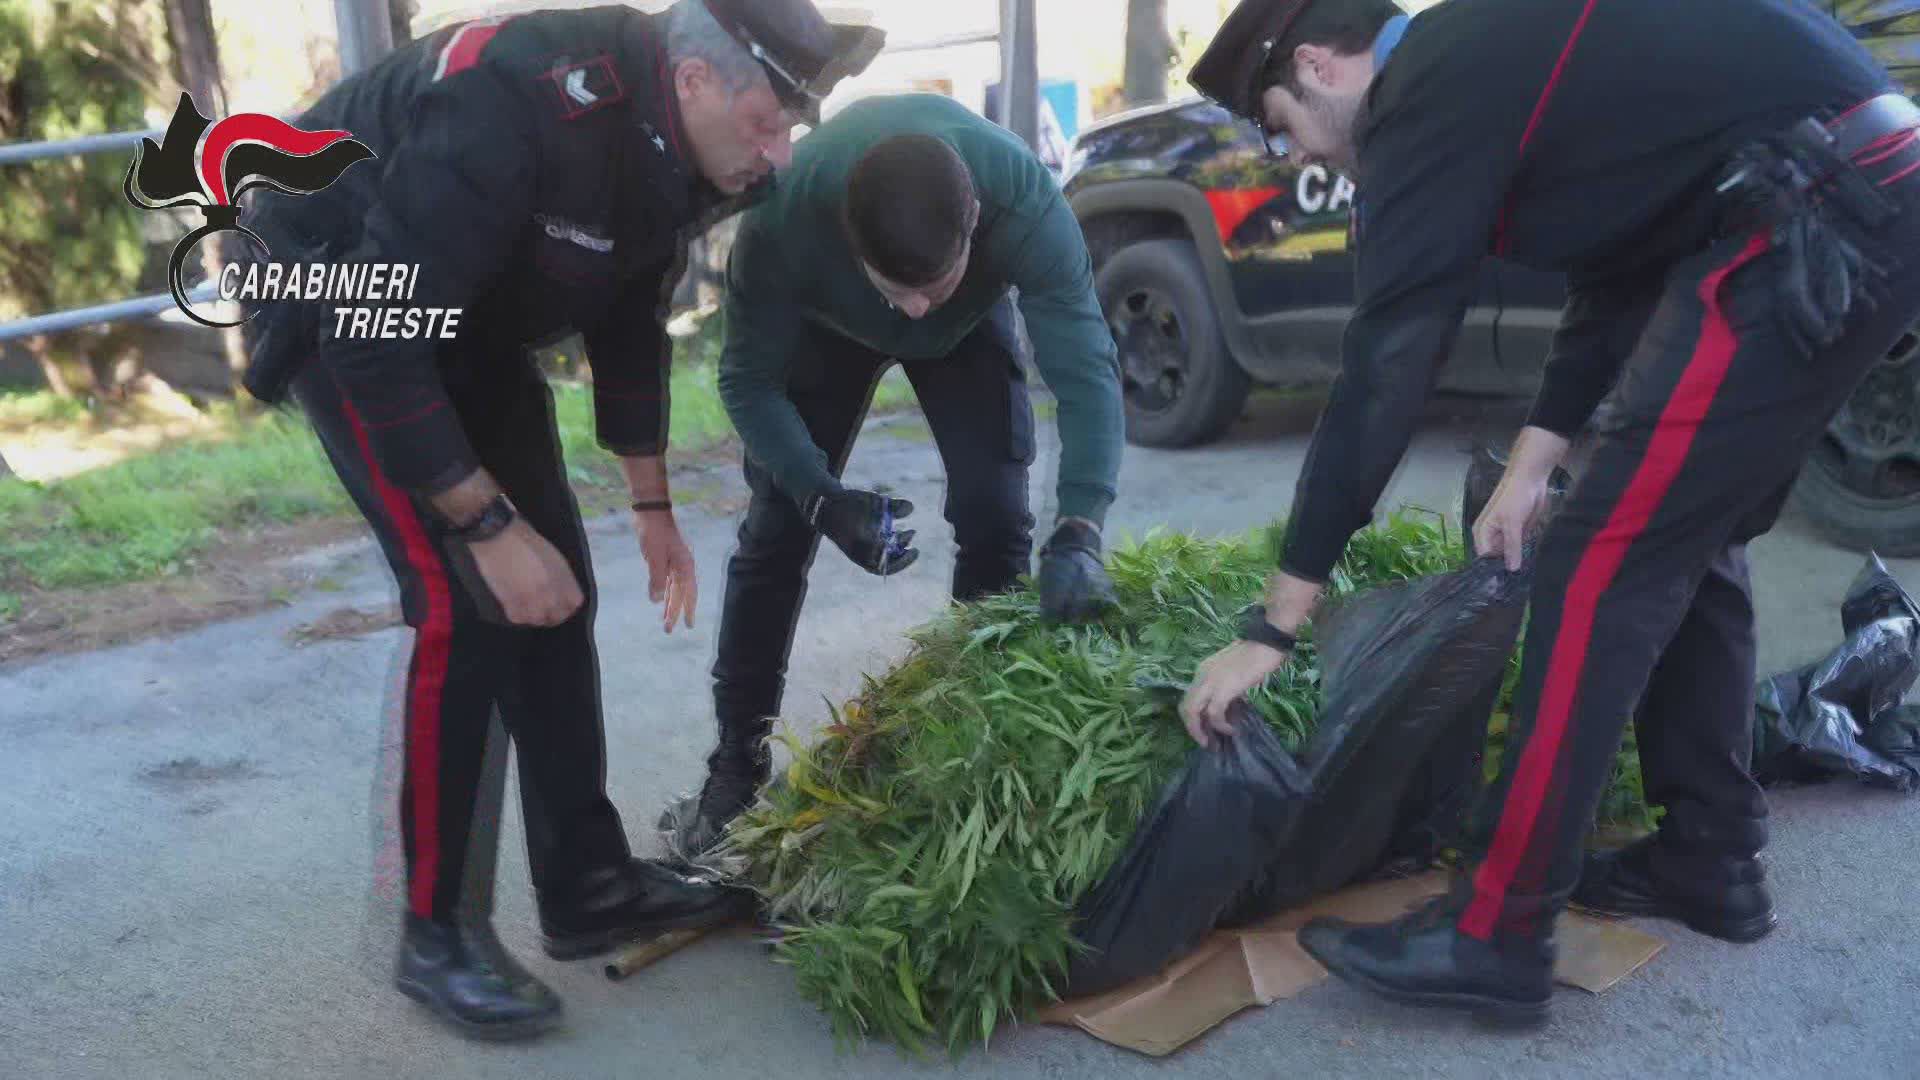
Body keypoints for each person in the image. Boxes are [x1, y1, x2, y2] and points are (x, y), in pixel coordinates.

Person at [1180, 0, 1920, 1025]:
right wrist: (1538, 450)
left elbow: (1387, 362)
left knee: (1598, 568)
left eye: (1279, 122)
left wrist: (1276, 621)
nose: (1290, 151)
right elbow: (1619, 264)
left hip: (1811, 213)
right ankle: (1712, 856)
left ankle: (1496, 930)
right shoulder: (1484, 62)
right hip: (1862, 187)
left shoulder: (1423, 93)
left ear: (1318, 65)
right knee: (1680, 535)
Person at [236, 0, 880, 1041]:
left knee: (557, 592)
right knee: (469, 603)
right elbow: (371, 335)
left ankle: (587, 887)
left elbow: (630, 313)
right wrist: (483, 523)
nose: (780, 152)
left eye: (792, 127)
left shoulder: (687, 151)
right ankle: (432, 935)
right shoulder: (524, 102)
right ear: (701, 81)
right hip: (341, 290)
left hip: (458, 303)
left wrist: (652, 504)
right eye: (770, 120)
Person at [659, 93, 1127, 860]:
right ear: (848, 239)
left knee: (995, 513)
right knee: (777, 530)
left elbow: (1085, 373)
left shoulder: (1023, 205)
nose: (911, 314)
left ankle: (977, 742)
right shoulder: (783, 222)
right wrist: (820, 492)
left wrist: (1082, 526)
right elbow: (747, 384)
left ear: (974, 220)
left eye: (928, 287)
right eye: (893, 289)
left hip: (971, 329)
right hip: (825, 327)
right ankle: (734, 769)